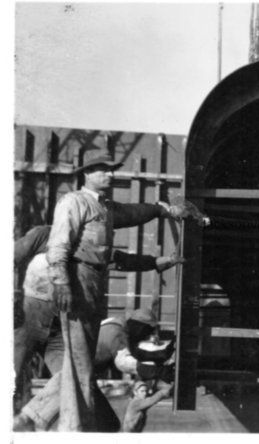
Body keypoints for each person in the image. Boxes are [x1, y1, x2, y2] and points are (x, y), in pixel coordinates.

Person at [13, 155, 198, 432]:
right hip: (32, 316)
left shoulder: (103, 212)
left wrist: (162, 214)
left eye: (112, 171)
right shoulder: (58, 220)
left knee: (77, 370)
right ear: (86, 173)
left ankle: (55, 424)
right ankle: (28, 422)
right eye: (103, 170)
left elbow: (126, 229)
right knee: (14, 375)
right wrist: (60, 284)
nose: (110, 175)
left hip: (67, 314)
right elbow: (26, 256)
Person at [95, 307, 175, 383]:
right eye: (147, 332)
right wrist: (159, 372)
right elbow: (124, 363)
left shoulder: (120, 325)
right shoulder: (117, 334)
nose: (146, 337)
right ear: (140, 327)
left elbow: (134, 352)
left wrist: (161, 354)